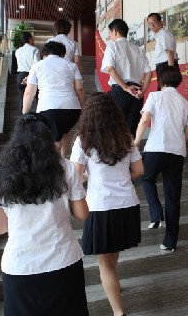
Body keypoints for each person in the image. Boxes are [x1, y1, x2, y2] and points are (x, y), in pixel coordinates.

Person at [0, 112, 89, 316]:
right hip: (62, 261)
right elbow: (82, 214)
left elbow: (0, 227)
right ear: (48, 136)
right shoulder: (66, 168)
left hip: (19, 266)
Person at [71, 93, 143, 316]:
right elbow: (139, 170)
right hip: (127, 203)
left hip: (101, 206)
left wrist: (91, 178)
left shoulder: (83, 141)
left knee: (105, 264)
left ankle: (118, 312)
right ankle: (114, 287)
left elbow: (75, 176)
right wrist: (121, 178)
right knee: (112, 257)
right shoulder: (126, 137)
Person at [134, 66, 188, 252]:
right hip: (177, 153)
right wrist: (177, 144)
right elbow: (187, 134)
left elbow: (144, 121)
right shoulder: (186, 103)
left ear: (161, 82)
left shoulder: (154, 96)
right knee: (173, 197)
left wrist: (136, 142)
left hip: (155, 149)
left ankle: (156, 213)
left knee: (146, 178)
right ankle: (170, 242)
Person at [22, 41, 85, 158]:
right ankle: (63, 159)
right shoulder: (71, 65)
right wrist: (83, 108)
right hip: (72, 109)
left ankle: (56, 164)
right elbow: (79, 89)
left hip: (48, 109)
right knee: (65, 131)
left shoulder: (37, 66)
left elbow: (29, 92)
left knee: (54, 138)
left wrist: (25, 112)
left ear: (44, 54)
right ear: (62, 54)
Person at [101, 19, 152, 134]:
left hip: (120, 91)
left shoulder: (112, 47)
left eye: (110, 33)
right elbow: (149, 73)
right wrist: (142, 91)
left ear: (115, 31)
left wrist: (126, 88)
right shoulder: (138, 49)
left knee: (115, 129)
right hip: (137, 93)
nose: (110, 36)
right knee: (131, 130)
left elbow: (110, 68)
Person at [147, 12, 179, 88]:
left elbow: (170, 52)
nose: (152, 25)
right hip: (163, 67)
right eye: (149, 23)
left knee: (165, 91)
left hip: (166, 67)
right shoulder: (159, 36)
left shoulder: (164, 34)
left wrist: (170, 72)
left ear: (161, 22)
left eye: (154, 22)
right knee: (163, 91)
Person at [15, 32, 40, 113]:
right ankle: (39, 116)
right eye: (32, 38)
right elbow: (36, 65)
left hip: (21, 76)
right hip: (32, 75)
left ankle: (22, 118)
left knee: (22, 99)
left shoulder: (18, 51)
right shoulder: (34, 50)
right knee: (38, 98)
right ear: (30, 39)